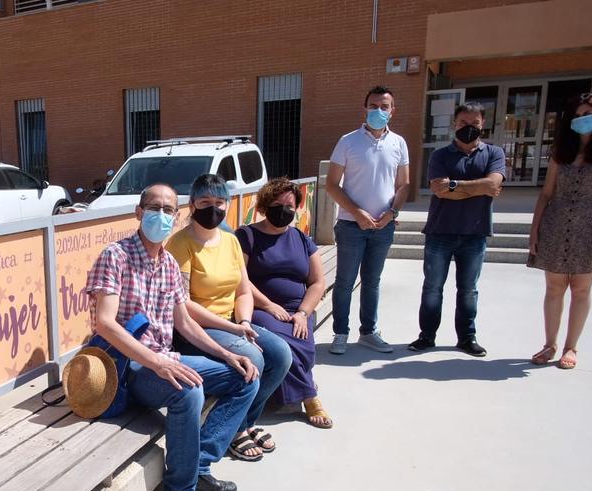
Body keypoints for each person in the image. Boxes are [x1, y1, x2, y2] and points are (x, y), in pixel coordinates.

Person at [86, 182, 259, 491]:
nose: (162, 216)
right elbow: (104, 322)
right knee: (188, 393)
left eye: (169, 210)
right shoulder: (115, 256)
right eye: (154, 208)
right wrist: (155, 363)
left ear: (177, 216)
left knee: (245, 377)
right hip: (129, 366)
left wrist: (228, 354)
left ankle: (198, 468)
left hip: (165, 359)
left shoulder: (167, 263)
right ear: (138, 213)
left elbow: (185, 322)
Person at [166, 174, 292, 461]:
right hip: (196, 328)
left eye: (219, 202)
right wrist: (233, 329)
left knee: (281, 355)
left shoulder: (230, 241)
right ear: (192, 205)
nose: (213, 208)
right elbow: (183, 303)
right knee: (255, 359)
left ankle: (244, 423)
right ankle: (230, 431)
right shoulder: (180, 244)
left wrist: (244, 322)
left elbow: (243, 289)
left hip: (234, 323)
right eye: (205, 202)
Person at [527, 93, 592, 370]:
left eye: (587, 112)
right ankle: (549, 344)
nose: (581, 118)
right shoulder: (562, 150)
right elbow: (546, 193)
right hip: (557, 223)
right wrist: (534, 230)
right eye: (576, 114)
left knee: (581, 289)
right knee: (554, 286)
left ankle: (570, 347)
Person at [409, 102, 506, 356]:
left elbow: (494, 185)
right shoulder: (440, 155)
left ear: (482, 124)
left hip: (475, 233)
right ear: (455, 124)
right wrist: (477, 187)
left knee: (468, 290)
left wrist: (454, 186)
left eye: (474, 124)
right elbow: (439, 189)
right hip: (440, 231)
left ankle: (466, 338)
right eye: (464, 123)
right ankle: (426, 336)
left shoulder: (494, 154)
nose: (469, 128)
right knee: (432, 288)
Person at [236, 178, 334, 429]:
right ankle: (310, 395)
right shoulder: (247, 236)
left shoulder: (301, 239)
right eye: (277, 204)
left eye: (289, 205)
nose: (283, 209)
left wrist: (303, 312)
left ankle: (298, 388)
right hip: (259, 308)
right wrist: (268, 305)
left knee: (299, 333)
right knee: (285, 343)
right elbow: (240, 278)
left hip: (297, 308)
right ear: (264, 206)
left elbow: (317, 282)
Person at [325, 84, 411, 355]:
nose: (378, 111)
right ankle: (340, 333)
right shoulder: (347, 141)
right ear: (365, 108)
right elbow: (331, 184)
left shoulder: (398, 143)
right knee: (345, 281)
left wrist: (392, 213)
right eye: (373, 106)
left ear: (392, 111)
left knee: (372, 281)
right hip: (352, 226)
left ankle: (368, 332)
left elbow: (404, 185)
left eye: (384, 106)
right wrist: (357, 212)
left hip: (383, 227)